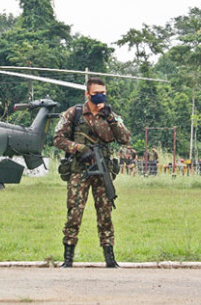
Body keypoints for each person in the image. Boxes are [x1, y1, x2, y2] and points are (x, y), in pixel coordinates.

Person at [53, 77, 130, 268]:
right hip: (79, 170)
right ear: (87, 94)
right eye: (96, 94)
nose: (100, 96)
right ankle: (68, 258)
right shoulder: (74, 113)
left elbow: (124, 138)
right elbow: (58, 139)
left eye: (103, 93)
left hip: (103, 169)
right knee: (74, 212)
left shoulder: (111, 115)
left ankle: (110, 258)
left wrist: (111, 118)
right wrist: (79, 148)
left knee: (105, 213)